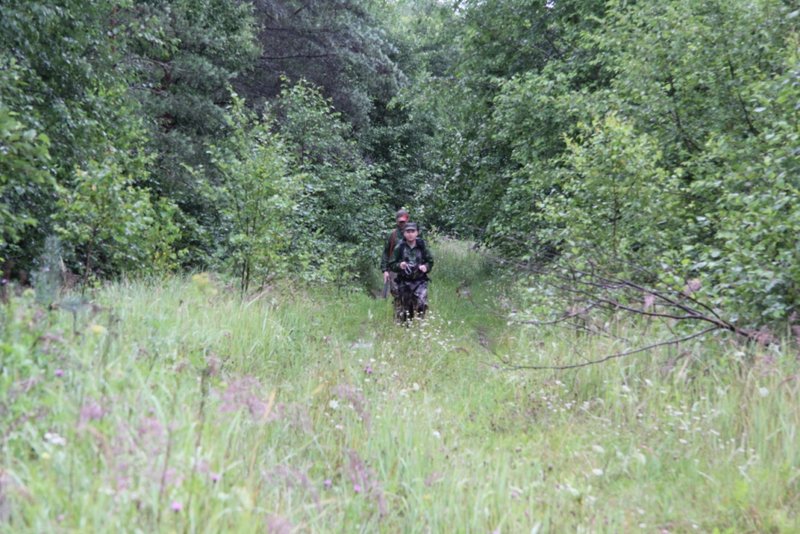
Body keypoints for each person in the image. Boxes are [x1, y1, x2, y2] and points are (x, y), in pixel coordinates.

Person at [389, 222, 433, 322]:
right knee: (406, 310)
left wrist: (425, 267)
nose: (410, 234)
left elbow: (430, 261)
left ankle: (421, 325)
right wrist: (400, 265)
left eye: (413, 231)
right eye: (408, 231)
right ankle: (407, 326)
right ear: (404, 233)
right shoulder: (400, 247)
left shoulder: (422, 246)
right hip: (404, 282)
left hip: (420, 281)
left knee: (422, 304)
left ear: (417, 233)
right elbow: (392, 264)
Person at [380, 209, 410, 301]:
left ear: (407, 220)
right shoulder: (392, 235)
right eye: (400, 221)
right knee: (395, 291)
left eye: (404, 221)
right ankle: (398, 306)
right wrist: (385, 270)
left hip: (410, 267)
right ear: (396, 221)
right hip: (394, 267)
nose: (402, 223)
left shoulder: (413, 234)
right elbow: (386, 252)